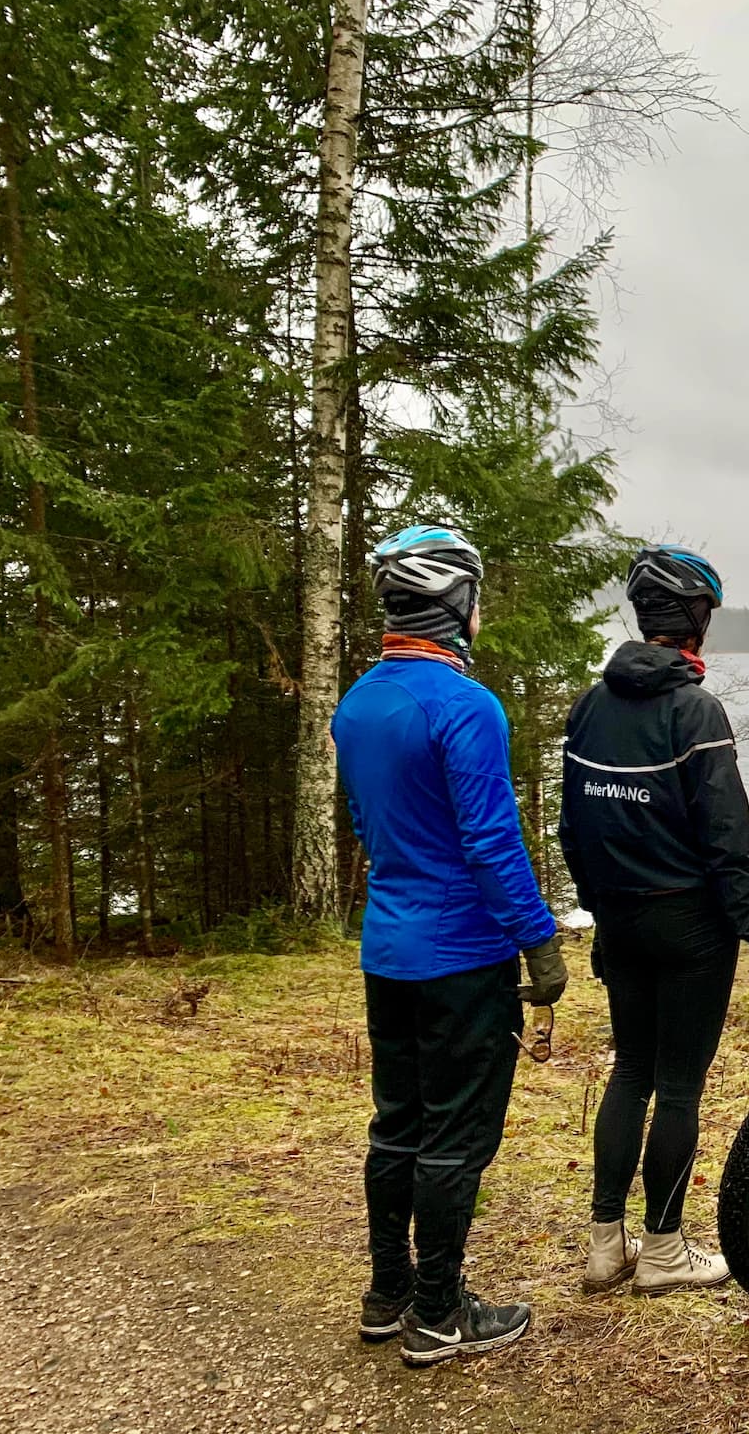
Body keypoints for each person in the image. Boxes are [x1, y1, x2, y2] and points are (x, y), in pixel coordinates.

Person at [332, 523, 569, 1367]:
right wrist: (539, 942)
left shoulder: (357, 701)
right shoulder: (467, 706)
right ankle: (438, 1315)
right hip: (463, 956)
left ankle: (387, 1291)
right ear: (456, 604)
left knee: (395, 1123)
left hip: (386, 948)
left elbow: (367, 825)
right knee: (455, 1139)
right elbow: (491, 841)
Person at [558, 544, 749, 1296]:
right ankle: (662, 1252)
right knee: (679, 1089)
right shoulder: (696, 711)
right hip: (689, 927)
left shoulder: (590, 707)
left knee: (630, 1070)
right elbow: (728, 838)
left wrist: (598, 911)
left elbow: (572, 829)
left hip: (618, 921)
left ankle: (604, 1246)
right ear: (696, 621)